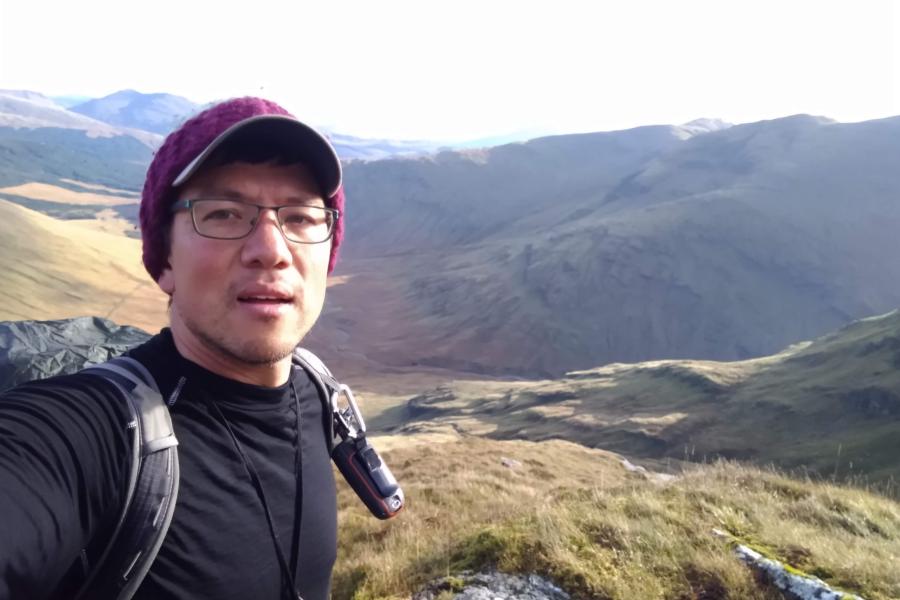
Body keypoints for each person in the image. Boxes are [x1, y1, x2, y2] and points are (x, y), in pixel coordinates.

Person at [0, 97, 346, 600]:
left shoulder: (316, 394)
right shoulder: (96, 437)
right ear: (164, 259)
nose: (271, 250)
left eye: (299, 217)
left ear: (328, 255)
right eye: (224, 213)